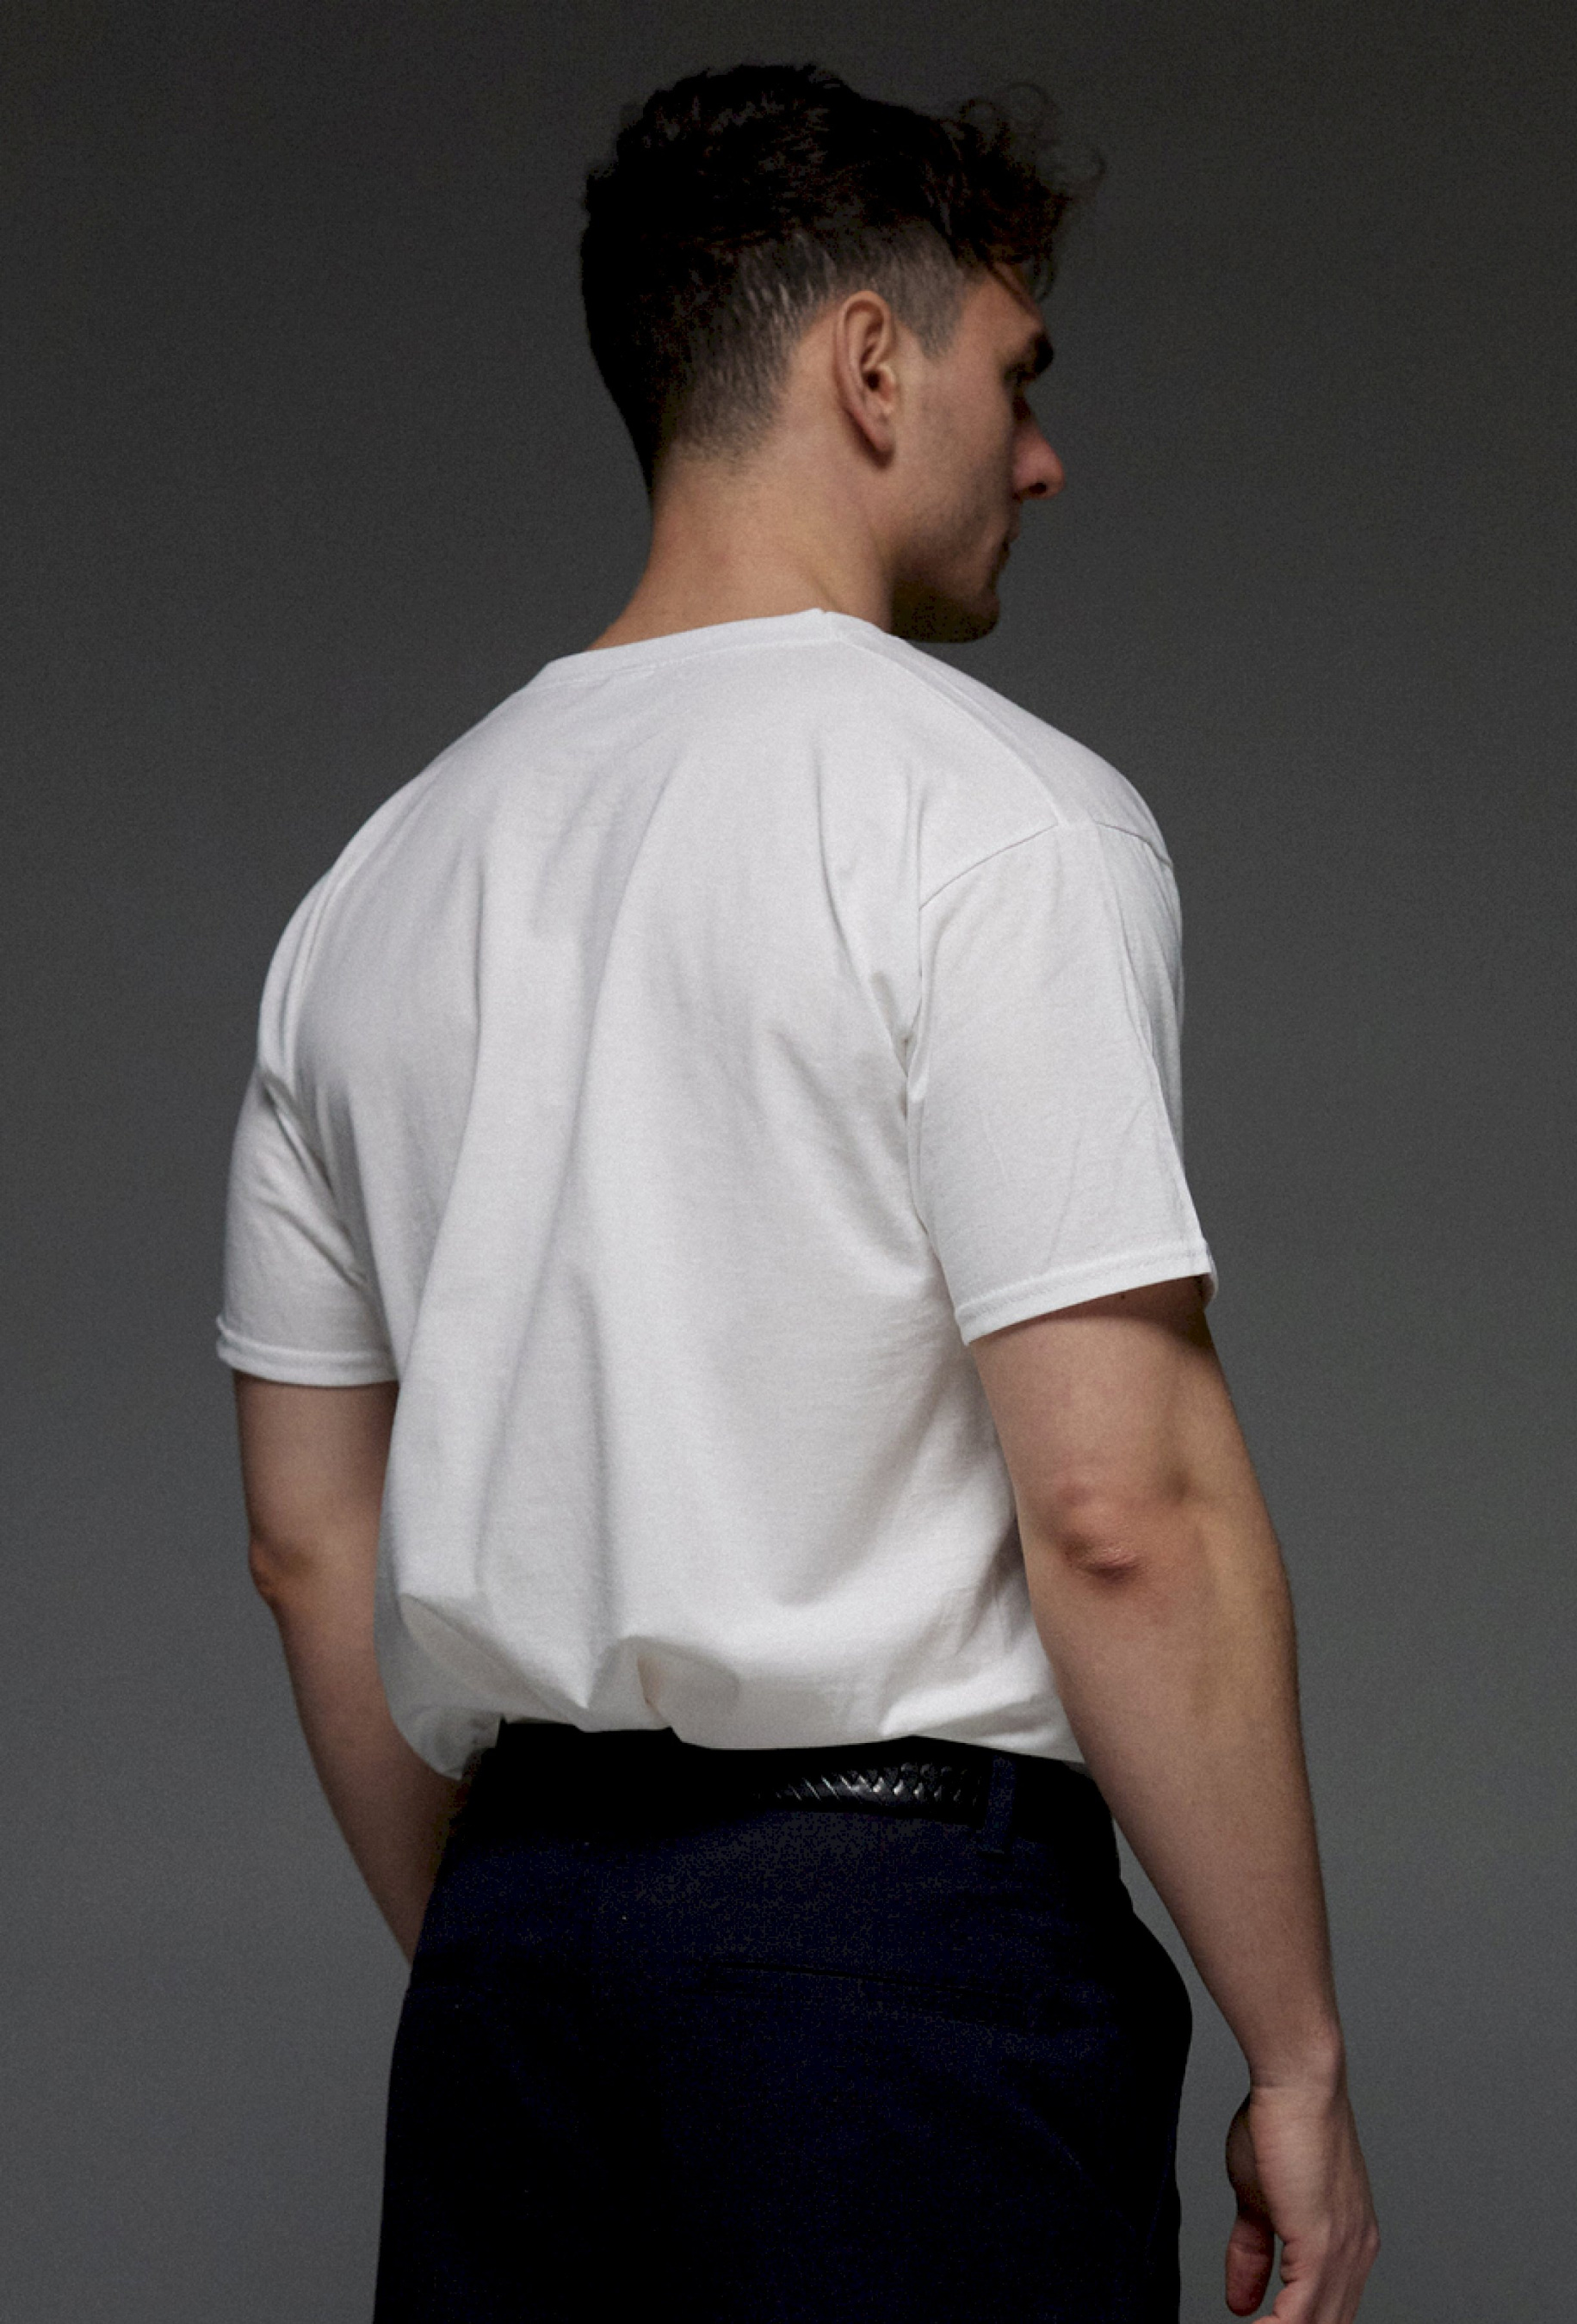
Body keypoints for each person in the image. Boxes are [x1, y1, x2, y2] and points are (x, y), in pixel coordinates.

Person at [219, 61, 1378, 2324]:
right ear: (870, 366)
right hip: (897, 1960)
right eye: (1014, 378)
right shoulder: (993, 821)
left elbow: (306, 1544)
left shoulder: (371, 889)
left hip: (511, 1957)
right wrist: (1300, 2052)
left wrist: (525, 1946)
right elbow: (1118, 1506)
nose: (1039, 456)